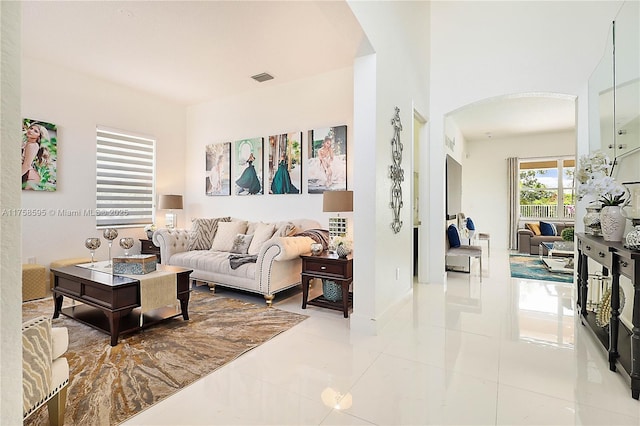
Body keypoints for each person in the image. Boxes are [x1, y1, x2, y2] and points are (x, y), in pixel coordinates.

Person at [21, 123, 50, 189]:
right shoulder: (27, 143)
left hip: (28, 177)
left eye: (35, 131)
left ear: (39, 136)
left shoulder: (32, 145)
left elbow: (27, 165)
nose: (31, 131)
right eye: (31, 128)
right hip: (25, 174)